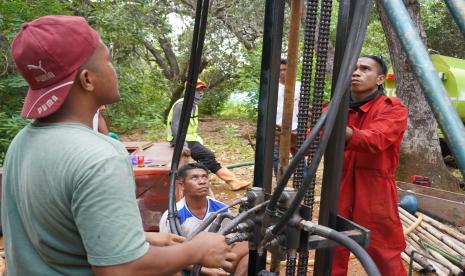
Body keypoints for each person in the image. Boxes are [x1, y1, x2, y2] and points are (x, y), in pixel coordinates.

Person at [1, 15, 236, 275]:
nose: (114, 69)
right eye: (109, 61)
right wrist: (195, 250)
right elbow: (120, 270)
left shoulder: (21, 143)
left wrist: (141, 239)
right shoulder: (101, 158)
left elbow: (57, 233)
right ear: (87, 79)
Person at [332, 55, 407, 275]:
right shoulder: (335, 109)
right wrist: (292, 138)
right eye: (354, 68)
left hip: (376, 193)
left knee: (385, 254)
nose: (356, 73)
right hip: (338, 188)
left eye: (365, 69)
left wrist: (333, 127)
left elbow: (375, 140)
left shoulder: (393, 109)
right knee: (331, 250)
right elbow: (312, 142)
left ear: (380, 79)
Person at [160, 163, 249, 276]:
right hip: (188, 262)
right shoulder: (172, 216)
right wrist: (207, 271)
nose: (202, 181)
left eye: (204, 177)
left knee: (249, 248)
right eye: (194, 177)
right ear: (182, 185)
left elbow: (232, 239)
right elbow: (169, 255)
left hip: (216, 257)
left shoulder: (221, 208)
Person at [166, 80, 249, 191]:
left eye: (202, 90)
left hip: (190, 139)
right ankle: (188, 177)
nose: (200, 92)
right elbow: (175, 126)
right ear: (189, 90)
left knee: (210, 159)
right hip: (181, 140)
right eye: (198, 89)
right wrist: (182, 144)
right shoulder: (182, 104)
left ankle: (233, 182)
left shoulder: (193, 105)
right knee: (208, 156)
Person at [274, 58, 301, 176]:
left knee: (298, 156)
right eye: (279, 70)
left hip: (295, 127)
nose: (282, 72)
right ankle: (280, 182)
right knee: (276, 156)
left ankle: (303, 183)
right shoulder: (273, 87)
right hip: (277, 128)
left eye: (285, 69)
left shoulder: (299, 86)